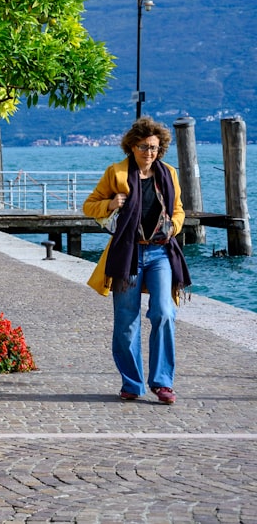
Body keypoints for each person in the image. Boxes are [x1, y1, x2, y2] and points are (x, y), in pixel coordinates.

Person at [83, 117, 191, 405]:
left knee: (164, 313)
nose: (149, 152)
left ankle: (162, 382)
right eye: (144, 147)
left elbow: (179, 210)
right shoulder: (116, 173)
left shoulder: (168, 174)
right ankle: (131, 383)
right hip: (128, 253)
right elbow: (88, 206)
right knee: (127, 321)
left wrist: (174, 227)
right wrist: (110, 203)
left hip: (160, 253)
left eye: (154, 147)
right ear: (131, 146)